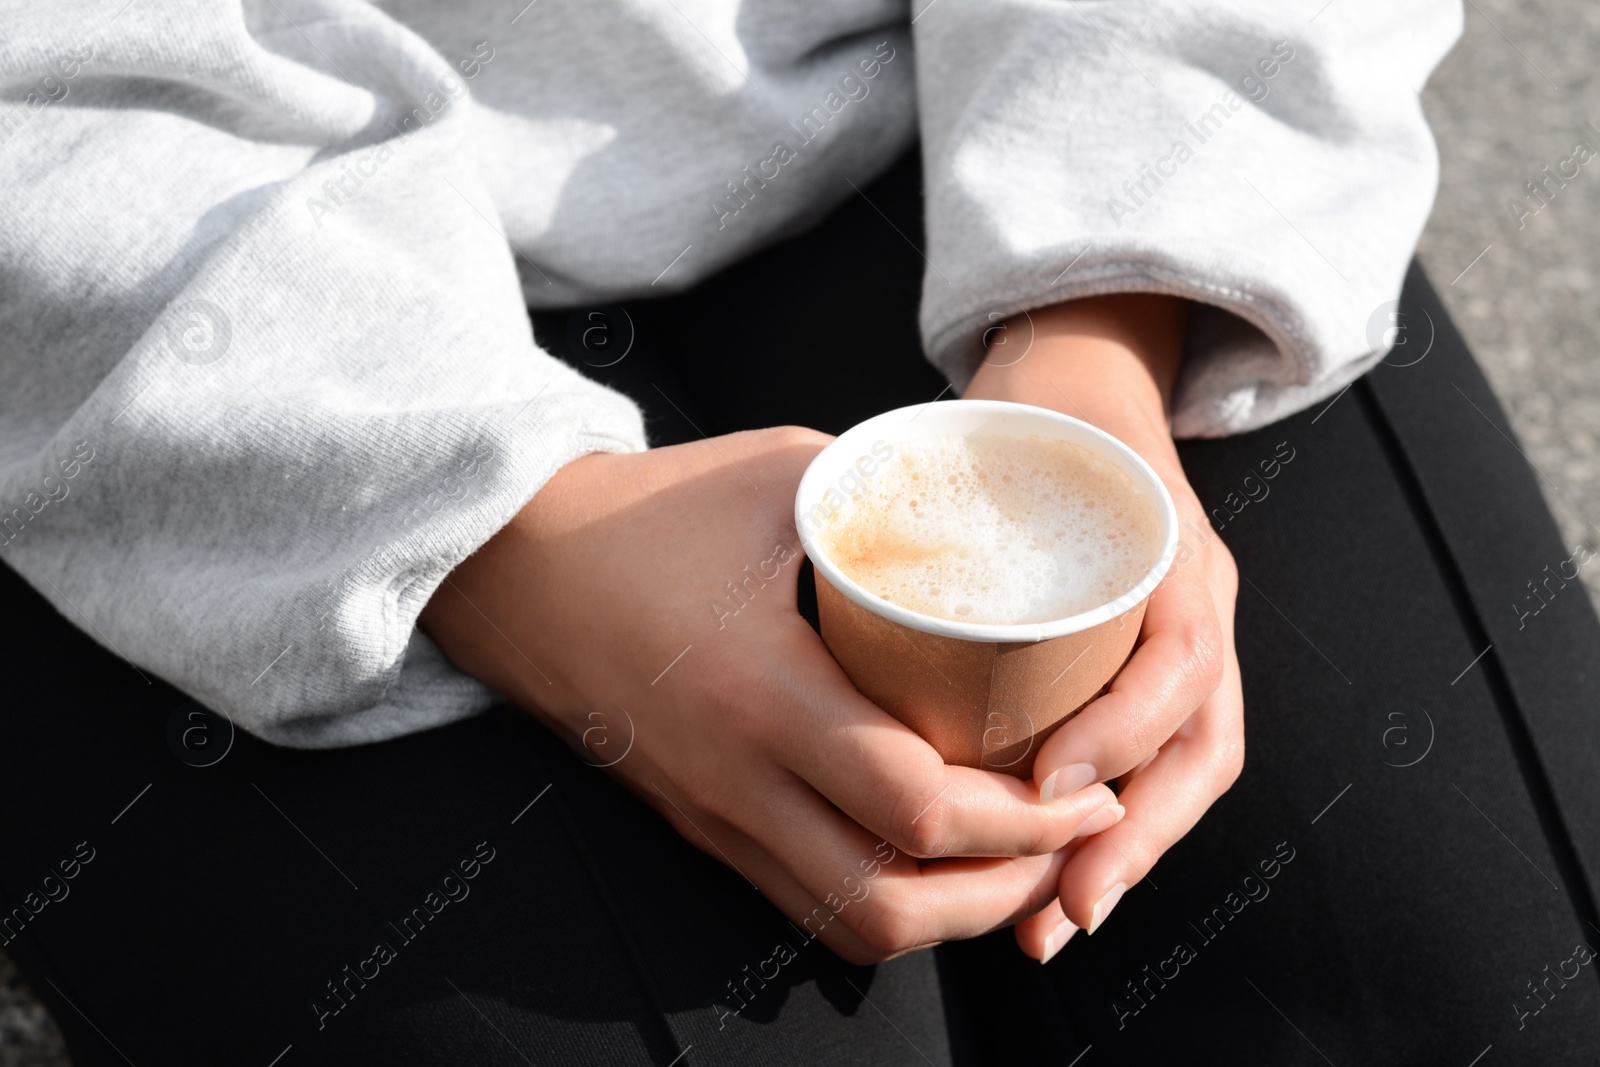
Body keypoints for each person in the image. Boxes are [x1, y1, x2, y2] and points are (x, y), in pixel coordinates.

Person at [4, 1, 1599, 1063]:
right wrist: (478, 530)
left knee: (1481, 1004)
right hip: (134, 243)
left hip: (969, 85)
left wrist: (1104, 317)